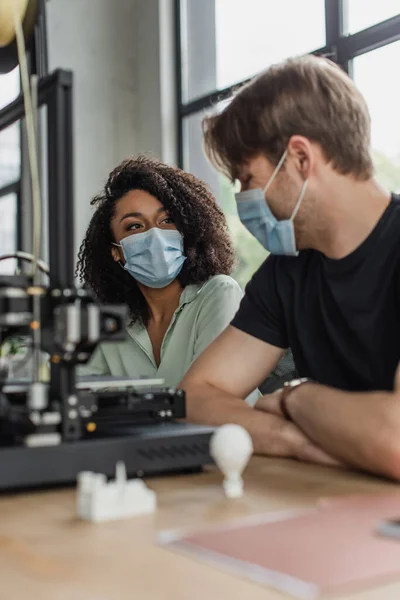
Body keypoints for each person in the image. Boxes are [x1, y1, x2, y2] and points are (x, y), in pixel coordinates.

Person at [180, 55, 400, 479]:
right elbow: (194, 398)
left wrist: (295, 399)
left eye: (247, 178)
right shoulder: (286, 274)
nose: (243, 198)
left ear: (300, 158)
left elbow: (394, 442)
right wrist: (295, 442)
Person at [76, 155, 243, 387]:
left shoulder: (219, 293)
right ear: (116, 251)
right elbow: (86, 392)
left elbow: (211, 395)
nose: (155, 235)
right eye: (135, 226)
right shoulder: (112, 322)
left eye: (167, 221)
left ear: (187, 231)